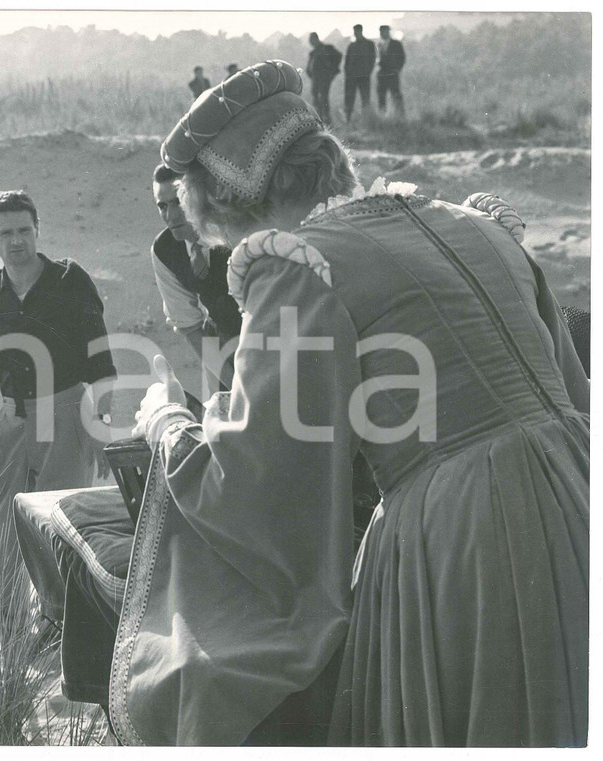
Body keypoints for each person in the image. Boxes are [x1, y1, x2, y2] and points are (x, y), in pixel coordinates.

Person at [111, 59, 588, 746]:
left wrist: (168, 423)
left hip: (463, 536)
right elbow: (573, 391)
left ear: (231, 202)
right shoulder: (478, 225)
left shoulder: (299, 265)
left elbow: (255, 477)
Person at [0, 190, 117, 643]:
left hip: (66, 411)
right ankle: (8, 631)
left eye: (24, 230)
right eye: (5, 232)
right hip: (12, 420)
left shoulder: (69, 279)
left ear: (37, 230)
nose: (16, 241)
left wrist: (100, 426)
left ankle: (61, 634)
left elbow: (102, 361)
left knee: (59, 524)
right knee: (3, 524)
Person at [150, 163, 240, 395]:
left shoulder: (235, 230)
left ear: (199, 196)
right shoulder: (164, 250)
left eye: (178, 201)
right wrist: (234, 388)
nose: (170, 216)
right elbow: (189, 326)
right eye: (162, 206)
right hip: (222, 349)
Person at [306, 32, 342, 125]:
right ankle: (319, 119)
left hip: (324, 78)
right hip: (315, 78)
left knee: (324, 98)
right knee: (315, 97)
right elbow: (310, 66)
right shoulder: (313, 52)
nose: (311, 43)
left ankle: (327, 119)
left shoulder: (327, 48)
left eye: (311, 40)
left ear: (316, 39)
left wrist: (332, 71)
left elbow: (338, 56)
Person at [343, 24, 376, 120]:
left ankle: (366, 119)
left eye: (357, 31)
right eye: (354, 32)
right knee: (349, 98)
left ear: (361, 31)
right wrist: (347, 73)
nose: (355, 33)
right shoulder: (351, 45)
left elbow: (372, 59)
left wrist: (368, 71)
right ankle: (348, 119)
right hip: (351, 76)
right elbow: (347, 60)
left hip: (364, 76)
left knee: (365, 98)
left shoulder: (369, 44)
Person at [376, 25, 406, 117]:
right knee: (381, 96)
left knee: (396, 95)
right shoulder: (379, 44)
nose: (382, 33)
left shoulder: (396, 44)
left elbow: (402, 57)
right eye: (381, 32)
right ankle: (382, 116)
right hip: (382, 74)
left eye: (384, 31)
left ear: (388, 32)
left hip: (392, 74)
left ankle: (400, 116)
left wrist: (397, 69)